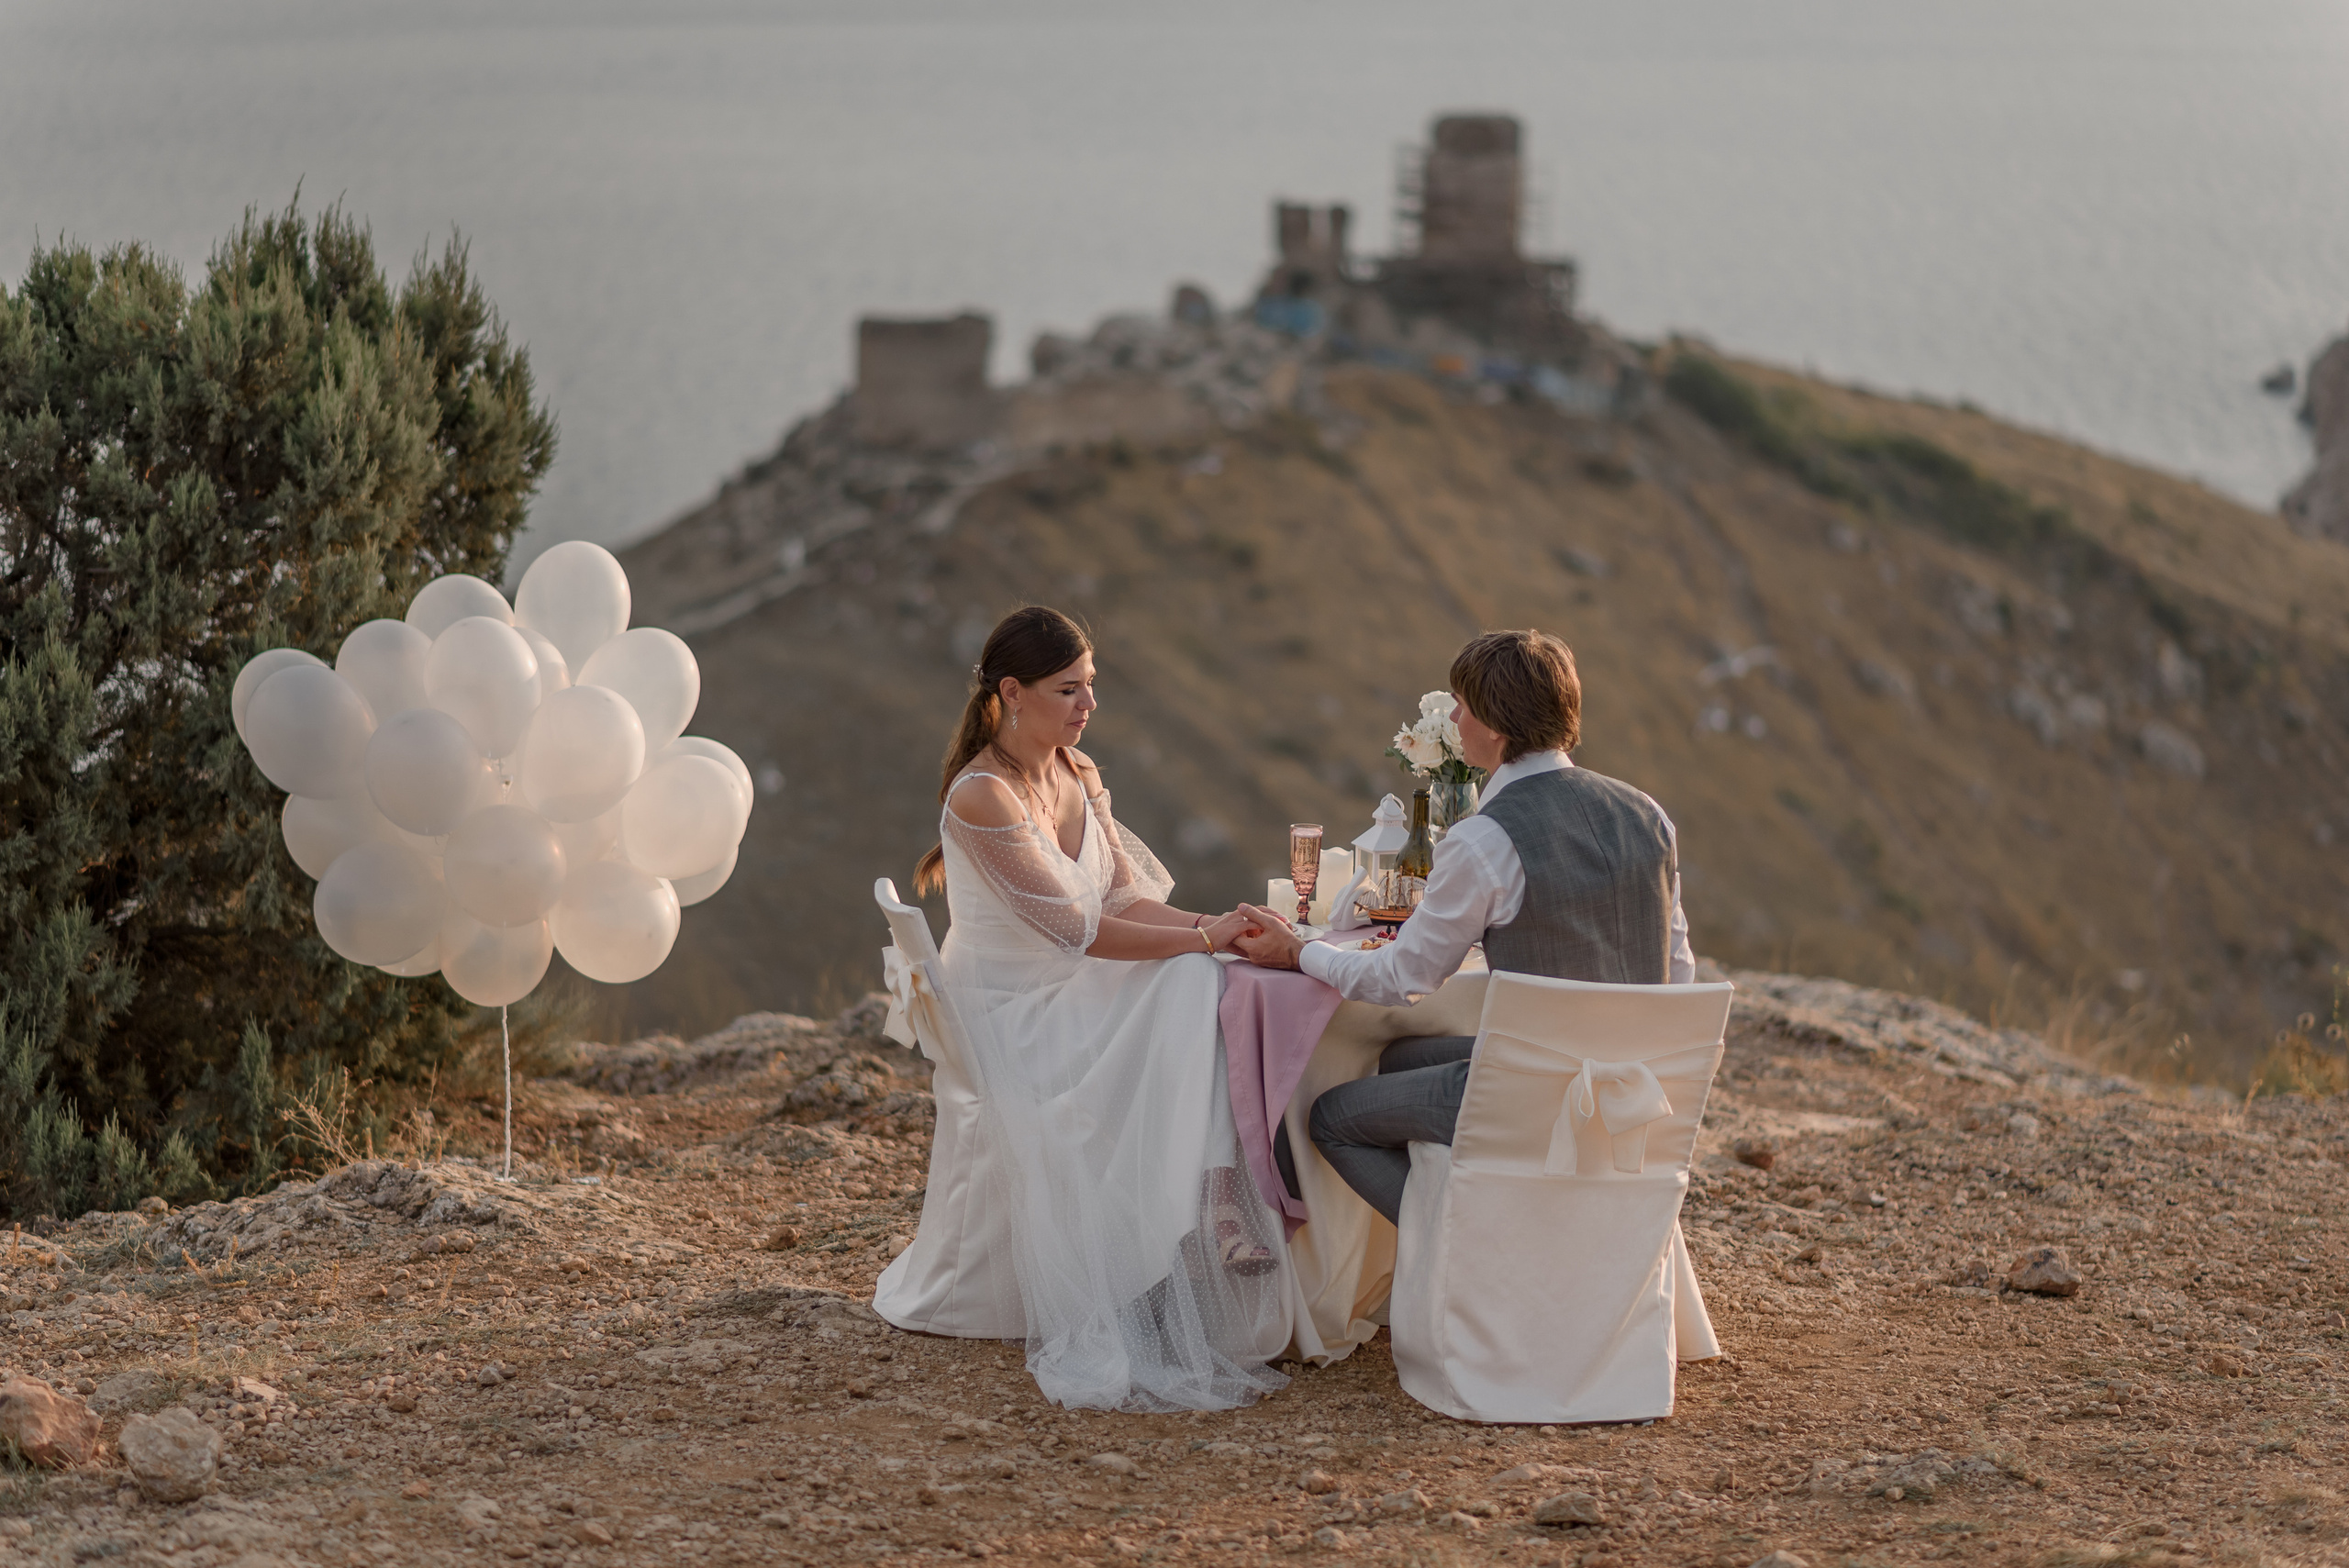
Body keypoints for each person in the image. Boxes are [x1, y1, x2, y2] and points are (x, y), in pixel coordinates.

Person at [903, 605, 1290, 1411]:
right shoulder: (984, 796)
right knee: (1194, 977)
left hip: (1072, 987)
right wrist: (1206, 941)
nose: (1087, 706)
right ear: (1012, 692)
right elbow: (1078, 933)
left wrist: (1221, 926)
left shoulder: (1077, 771)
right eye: (1068, 688)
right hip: (1015, 1012)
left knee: (1203, 974)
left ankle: (1207, 1199)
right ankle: (1208, 1203)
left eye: (1091, 687)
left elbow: (1125, 898)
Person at [1232, 628, 1696, 1224]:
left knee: (1332, 1118)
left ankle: (1463, 1246)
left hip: (1532, 1095)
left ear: (1496, 727)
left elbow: (1405, 977)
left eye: (1463, 706)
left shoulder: (1484, 838)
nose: (1453, 718)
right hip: (1635, 1081)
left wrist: (1300, 955)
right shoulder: (1648, 813)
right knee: (1400, 1056)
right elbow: (1678, 966)